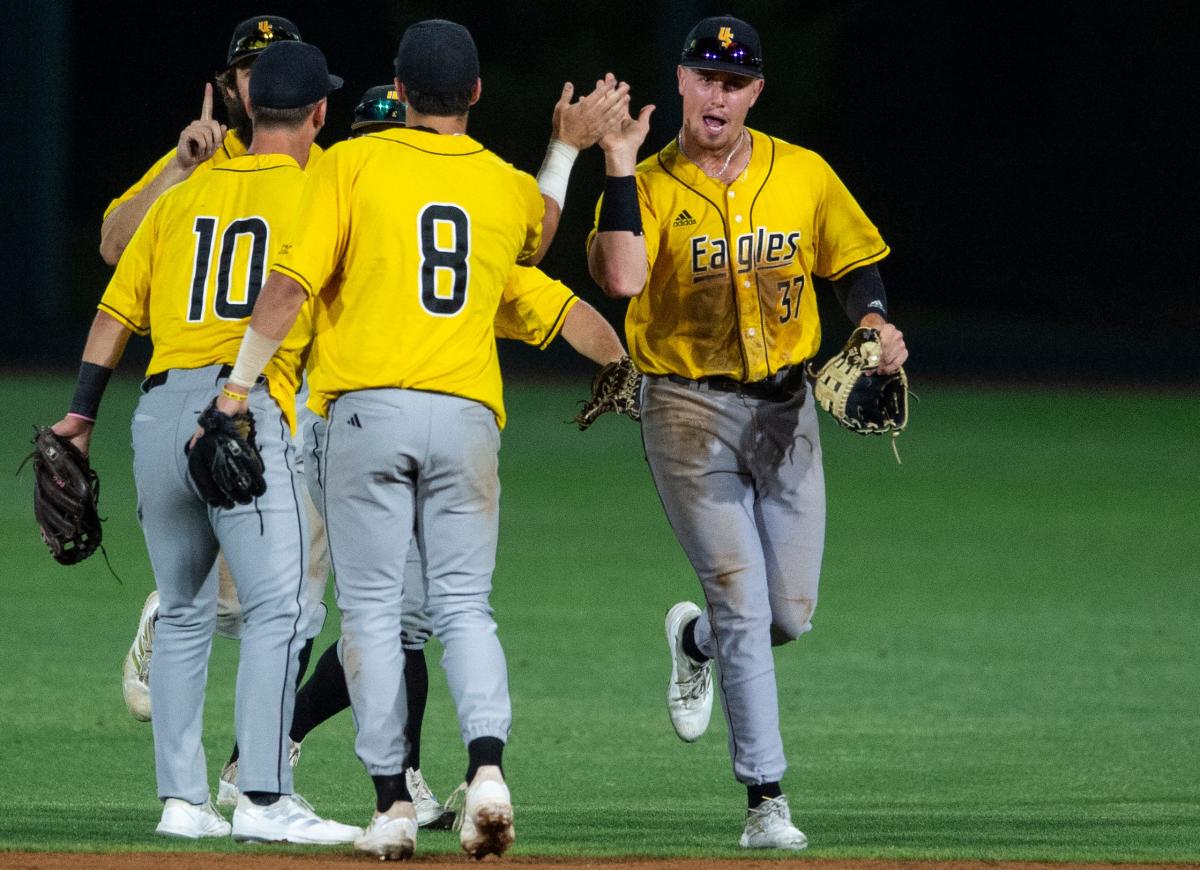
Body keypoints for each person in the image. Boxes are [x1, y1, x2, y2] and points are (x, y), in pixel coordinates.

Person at [210, 21, 622, 860]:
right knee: (463, 609)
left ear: (396, 91)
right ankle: (489, 769)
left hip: (367, 411)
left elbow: (287, 287)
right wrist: (566, 148)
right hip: (467, 416)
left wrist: (234, 392)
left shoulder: (349, 165)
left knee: (370, 612)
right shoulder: (503, 188)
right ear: (474, 94)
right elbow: (539, 241)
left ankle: (394, 803)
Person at [587, 15, 908, 850]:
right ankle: (766, 801)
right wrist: (618, 163)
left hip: (787, 410)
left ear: (755, 92)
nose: (718, 94)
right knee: (740, 593)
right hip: (685, 411)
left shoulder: (801, 172)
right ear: (683, 83)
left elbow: (853, 262)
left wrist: (874, 320)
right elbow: (621, 276)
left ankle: (691, 640)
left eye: (735, 82)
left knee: (788, 614)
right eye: (705, 77)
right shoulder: (647, 185)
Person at [51, 40, 360, 845]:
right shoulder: (317, 187)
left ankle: (182, 801)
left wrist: (80, 417)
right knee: (283, 611)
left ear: (246, 108)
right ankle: (262, 796)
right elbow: (300, 296)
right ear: (320, 114)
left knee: (184, 613)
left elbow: (115, 311)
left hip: (155, 414)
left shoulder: (183, 193)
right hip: (240, 409)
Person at [100, 15, 311, 266]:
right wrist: (180, 168)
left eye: (281, 71)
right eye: (254, 74)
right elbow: (113, 248)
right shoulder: (197, 160)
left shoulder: (328, 169)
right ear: (231, 88)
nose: (269, 85)